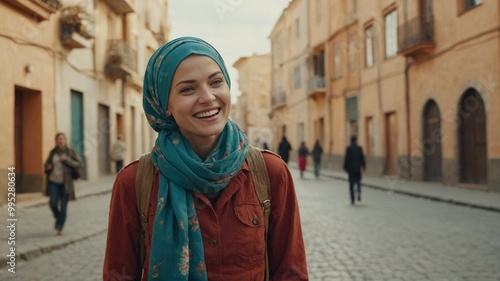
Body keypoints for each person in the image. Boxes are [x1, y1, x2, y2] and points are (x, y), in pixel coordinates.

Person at [103, 36, 308, 281]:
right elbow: (119, 275)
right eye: (188, 89)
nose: (208, 97)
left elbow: (291, 273)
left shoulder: (270, 173)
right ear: (163, 104)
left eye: (216, 82)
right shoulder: (135, 181)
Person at [44, 132, 82, 235]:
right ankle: (59, 219)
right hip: (53, 182)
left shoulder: (70, 151)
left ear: (65, 140)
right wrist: (48, 167)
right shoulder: (52, 152)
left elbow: (78, 162)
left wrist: (67, 160)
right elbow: (47, 164)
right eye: (58, 139)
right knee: (52, 203)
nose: (60, 141)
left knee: (64, 206)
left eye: (62, 139)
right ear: (56, 141)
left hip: (66, 183)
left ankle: (60, 226)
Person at [343, 135, 366, 205]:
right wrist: (364, 166)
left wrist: (345, 167)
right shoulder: (359, 148)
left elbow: (346, 159)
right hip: (357, 168)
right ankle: (358, 190)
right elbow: (362, 158)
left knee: (351, 184)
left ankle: (352, 199)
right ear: (356, 140)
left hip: (351, 169)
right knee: (358, 181)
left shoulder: (348, 149)